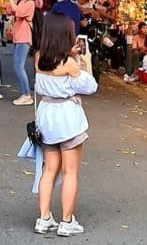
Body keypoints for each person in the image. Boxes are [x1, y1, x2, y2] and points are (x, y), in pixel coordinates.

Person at [31, 12, 98, 237]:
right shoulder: (69, 63)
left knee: (49, 170)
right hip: (67, 118)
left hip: (46, 116)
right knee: (70, 172)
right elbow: (90, 87)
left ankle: (44, 218)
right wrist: (83, 61)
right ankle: (67, 221)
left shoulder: (39, 57)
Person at [10, 0, 39, 106]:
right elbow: (9, 9)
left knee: (19, 66)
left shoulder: (30, 3)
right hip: (18, 37)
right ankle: (25, 93)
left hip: (24, 37)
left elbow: (18, 12)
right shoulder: (21, 1)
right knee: (17, 66)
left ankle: (26, 94)